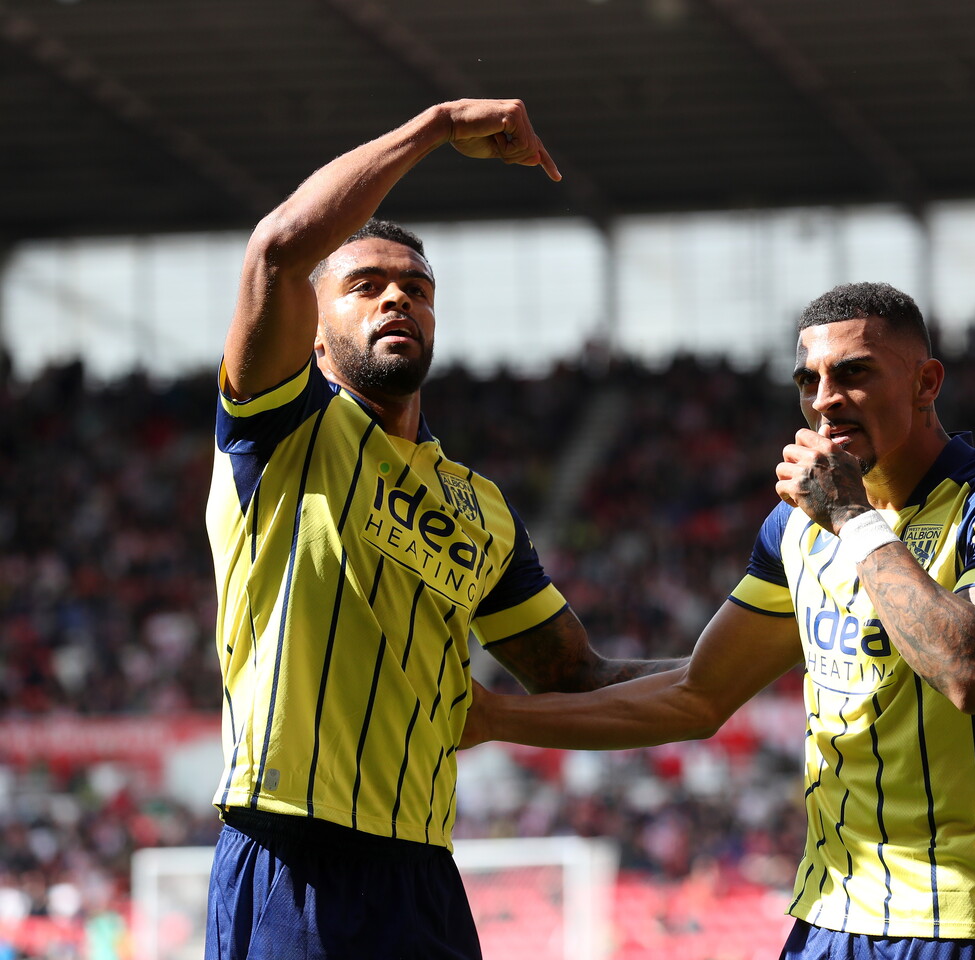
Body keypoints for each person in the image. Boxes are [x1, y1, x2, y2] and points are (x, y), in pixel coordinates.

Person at [465, 281, 975, 959]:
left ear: (926, 382)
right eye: (808, 380)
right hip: (826, 915)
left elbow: (972, 671)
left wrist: (850, 516)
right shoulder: (796, 525)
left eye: (853, 374)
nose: (824, 400)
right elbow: (698, 694)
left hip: (965, 920)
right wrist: (492, 717)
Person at [204, 98, 683, 960]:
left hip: (424, 876)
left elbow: (576, 676)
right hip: (290, 857)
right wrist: (435, 128)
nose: (398, 298)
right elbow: (278, 249)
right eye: (366, 285)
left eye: (417, 290)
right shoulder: (281, 427)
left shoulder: (482, 508)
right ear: (311, 332)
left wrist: (767, 648)